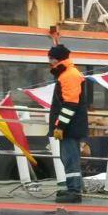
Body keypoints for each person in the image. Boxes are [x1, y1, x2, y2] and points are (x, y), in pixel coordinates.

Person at [47, 44, 88, 203]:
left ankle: (74, 192)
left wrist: (60, 127)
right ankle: (75, 188)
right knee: (70, 158)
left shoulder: (68, 75)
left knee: (70, 158)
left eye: (50, 58)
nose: (49, 62)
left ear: (56, 59)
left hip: (70, 127)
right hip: (71, 126)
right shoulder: (67, 73)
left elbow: (70, 104)